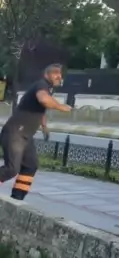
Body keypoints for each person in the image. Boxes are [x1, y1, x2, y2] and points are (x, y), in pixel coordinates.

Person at [0, 65, 72, 201]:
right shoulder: (41, 85)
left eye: (60, 74)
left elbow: (41, 108)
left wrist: (44, 126)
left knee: (31, 165)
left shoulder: (47, 88)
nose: (59, 77)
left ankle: (17, 199)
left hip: (25, 136)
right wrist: (61, 106)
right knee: (11, 169)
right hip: (16, 133)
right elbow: (43, 100)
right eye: (56, 73)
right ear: (46, 74)